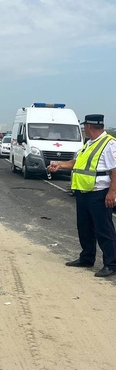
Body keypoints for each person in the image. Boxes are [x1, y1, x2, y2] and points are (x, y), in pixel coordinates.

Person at [47, 114, 116, 277]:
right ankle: (86, 258)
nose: (84, 128)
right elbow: (76, 163)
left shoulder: (109, 144)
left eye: (85, 126)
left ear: (89, 127)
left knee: (104, 229)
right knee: (84, 227)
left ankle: (111, 264)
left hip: (100, 193)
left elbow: (115, 169)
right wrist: (60, 165)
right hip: (84, 192)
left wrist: (112, 192)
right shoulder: (89, 144)